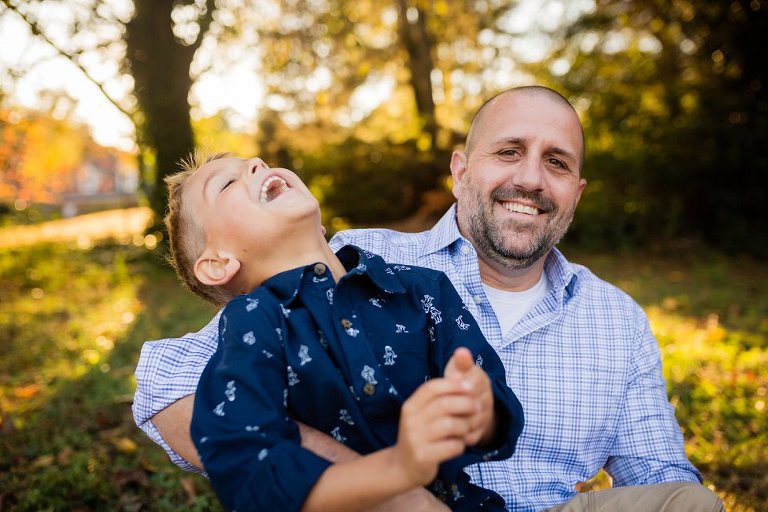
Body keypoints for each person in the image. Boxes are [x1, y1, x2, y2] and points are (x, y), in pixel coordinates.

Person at [134, 86, 725, 511]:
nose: (532, 180)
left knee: (690, 504)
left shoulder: (614, 319)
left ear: (576, 190)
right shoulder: (341, 264)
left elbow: (657, 471)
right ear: (460, 171)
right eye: (509, 151)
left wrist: (482, 408)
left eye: (557, 163)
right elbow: (171, 382)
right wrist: (397, 487)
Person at [162, 152, 524, 511]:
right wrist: (399, 468)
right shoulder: (251, 324)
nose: (256, 163)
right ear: (217, 264)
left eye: (255, 164)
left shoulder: (423, 290)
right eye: (226, 183)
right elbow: (250, 468)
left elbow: (498, 408)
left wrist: (480, 412)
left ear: (319, 224)